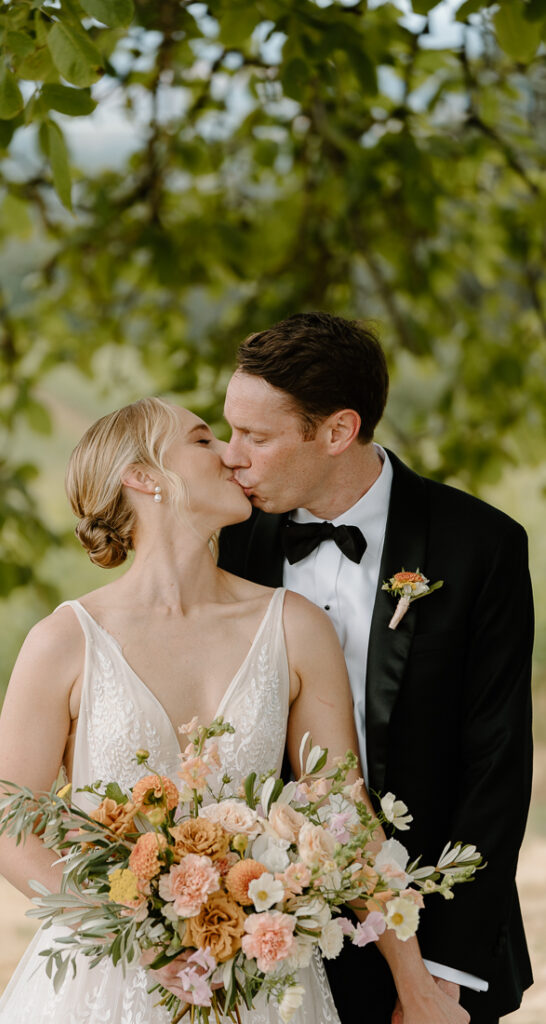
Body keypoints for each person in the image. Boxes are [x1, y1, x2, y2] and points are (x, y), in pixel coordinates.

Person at [0, 397, 468, 1024]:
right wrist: (142, 941)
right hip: (106, 983)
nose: (232, 456)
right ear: (144, 476)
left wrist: (415, 982)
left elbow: (345, 812)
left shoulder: (295, 626)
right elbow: (8, 831)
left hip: (262, 978)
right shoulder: (65, 640)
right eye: (204, 440)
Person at [217, 311, 534, 1024]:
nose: (231, 456)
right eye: (228, 429)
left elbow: (497, 766)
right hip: (261, 928)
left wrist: (436, 973)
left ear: (336, 432)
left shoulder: (479, 546)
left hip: (433, 922)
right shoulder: (225, 543)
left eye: (256, 437)